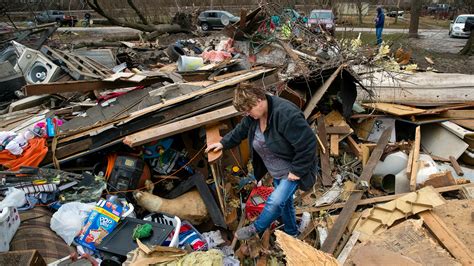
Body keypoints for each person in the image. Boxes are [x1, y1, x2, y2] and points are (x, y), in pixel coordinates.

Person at [205, 83, 318, 239]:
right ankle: (292, 233)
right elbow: (240, 131)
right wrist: (223, 143)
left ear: (259, 100)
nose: (247, 114)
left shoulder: (285, 114)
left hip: (292, 169)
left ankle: (255, 228)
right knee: (285, 204)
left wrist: (297, 170)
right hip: (275, 169)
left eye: (248, 110)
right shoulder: (254, 117)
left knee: (276, 201)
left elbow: (308, 143)